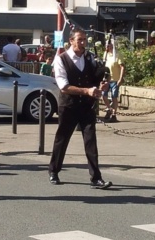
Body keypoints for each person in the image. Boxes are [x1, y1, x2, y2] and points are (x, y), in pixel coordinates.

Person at [48, 27, 112, 189]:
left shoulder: (89, 57)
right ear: (71, 41)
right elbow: (63, 86)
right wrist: (86, 91)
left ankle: (96, 177)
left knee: (91, 140)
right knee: (62, 138)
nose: (83, 43)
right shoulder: (61, 59)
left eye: (85, 40)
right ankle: (54, 171)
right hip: (68, 106)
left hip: (87, 106)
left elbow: (96, 77)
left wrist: (103, 84)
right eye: (80, 40)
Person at [102, 40, 124, 122]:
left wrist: (120, 79)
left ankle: (114, 114)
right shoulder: (105, 54)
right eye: (106, 45)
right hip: (106, 79)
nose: (107, 47)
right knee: (104, 95)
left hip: (115, 79)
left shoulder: (117, 55)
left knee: (114, 97)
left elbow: (122, 67)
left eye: (109, 45)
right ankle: (109, 108)